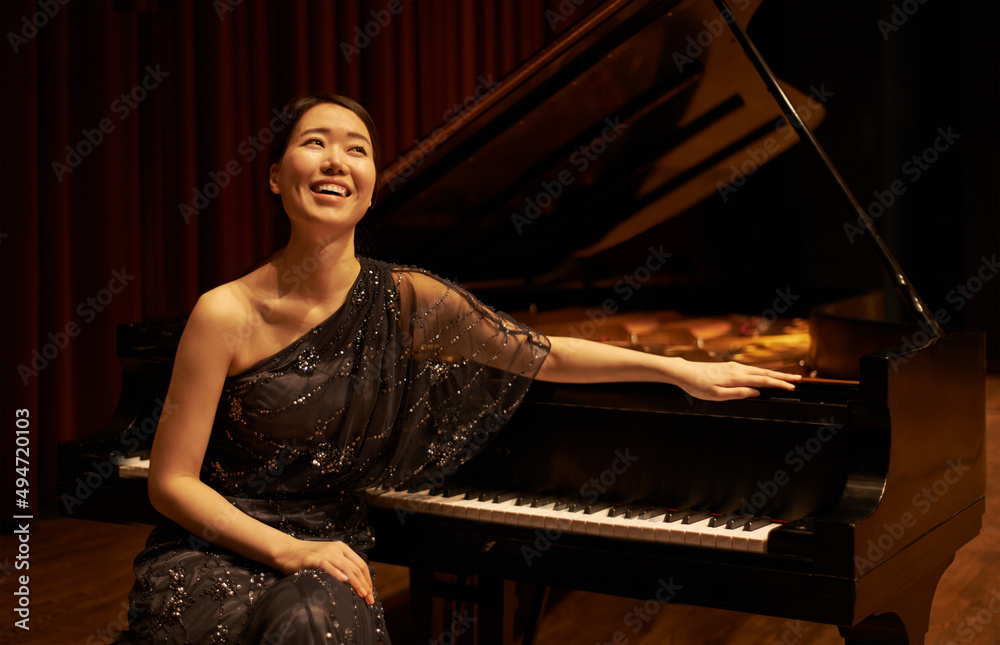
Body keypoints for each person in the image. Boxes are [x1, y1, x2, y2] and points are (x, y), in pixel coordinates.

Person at [128, 93, 800, 644]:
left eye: (356, 148)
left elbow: (544, 352)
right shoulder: (224, 312)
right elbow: (171, 482)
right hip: (221, 549)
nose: (336, 159)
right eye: (315, 142)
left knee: (313, 623)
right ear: (275, 176)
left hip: (330, 555)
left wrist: (679, 368)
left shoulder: (408, 298)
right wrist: (286, 549)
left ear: (370, 193)